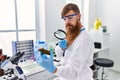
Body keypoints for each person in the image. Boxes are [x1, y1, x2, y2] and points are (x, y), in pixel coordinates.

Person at [34, 3, 94, 80]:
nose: (67, 22)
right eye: (64, 19)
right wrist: (61, 48)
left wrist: (54, 69)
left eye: (70, 18)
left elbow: (74, 72)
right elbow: (60, 56)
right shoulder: (72, 33)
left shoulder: (84, 39)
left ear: (79, 16)